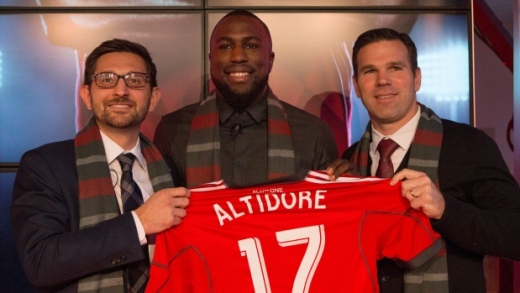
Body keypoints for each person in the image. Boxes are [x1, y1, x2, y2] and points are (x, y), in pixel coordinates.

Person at [327, 28, 520, 292]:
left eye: (395, 68)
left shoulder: (469, 145)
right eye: (370, 71)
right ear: (357, 85)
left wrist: (445, 209)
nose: (383, 80)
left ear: (416, 78)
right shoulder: (349, 160)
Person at [10, 39, 190, 293]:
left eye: (135, 80)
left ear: (153, 98)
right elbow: (41, 262)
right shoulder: (45, 166)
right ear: (86, 95)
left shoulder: (170, 170)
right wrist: (138, 223)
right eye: (107, 79)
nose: (121, 91)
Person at [153, 9, 338, 188]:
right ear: (211, 60)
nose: (238, 56)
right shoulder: (171, 131)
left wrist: (349, 181)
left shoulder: (314, 133)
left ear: (270, 60)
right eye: (225, 46)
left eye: (251, 46)